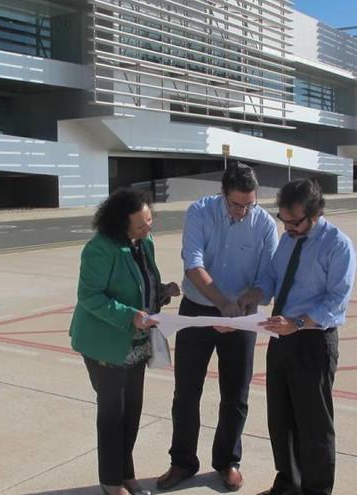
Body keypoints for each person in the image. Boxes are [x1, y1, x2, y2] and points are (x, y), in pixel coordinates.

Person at [157, 163, 278, 492]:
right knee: (186, 393)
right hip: (198, 309)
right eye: (236, 204)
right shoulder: (200, 212)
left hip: (241, 315)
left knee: (236, 395)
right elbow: (193, 264)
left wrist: (245, 301)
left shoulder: (264, 224)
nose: (242, 211)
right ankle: (182, 462)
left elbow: (267, 276)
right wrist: (221, 303)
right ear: (222, 194)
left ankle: (227, 461)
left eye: (249, 204)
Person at [70, 188, 180, 495]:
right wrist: (130, 315)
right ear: (121, 226)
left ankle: (125, 473)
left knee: (131, 410)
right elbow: (89, 297)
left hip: (137, 344)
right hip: (105, 344)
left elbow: (142, 282)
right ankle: (111, 481)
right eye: (140, 225)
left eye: (149, 220)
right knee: (111, 414)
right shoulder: (99, 249)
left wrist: (161, 290)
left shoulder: (145, 243)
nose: (148, 228)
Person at [255, 179, 356, 495]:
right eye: (283, 221)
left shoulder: (337, 245)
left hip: (313, 340)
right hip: (281, 337)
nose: (288, 228)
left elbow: (336, 298)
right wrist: (249, 297)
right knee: (280, 419)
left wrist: (297, 323)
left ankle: (316, 490)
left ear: (316, 213)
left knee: (313, 425)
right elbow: (273, 277)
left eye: (295, 222)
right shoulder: (288, 240)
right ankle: (288, 484)